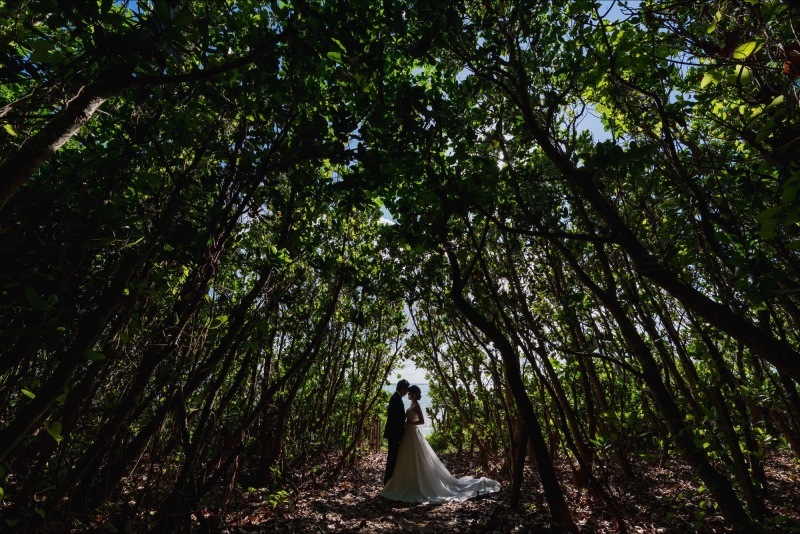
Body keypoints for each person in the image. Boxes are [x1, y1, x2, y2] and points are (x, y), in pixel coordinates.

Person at [381, 384, 500, 503]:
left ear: (414, 394)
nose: (408, 394)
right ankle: (406, 482)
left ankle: (417, 484)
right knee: (406, 458)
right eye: (407, 392)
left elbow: (421, 421)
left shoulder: (416, 405)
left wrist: (409, 424)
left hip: (412, 433)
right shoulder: (411, 404)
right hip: (408, 434)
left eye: (410, 393)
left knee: (417, 458)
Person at [383, 379, 410, 484]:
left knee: (393, 458)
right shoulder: (396, 399)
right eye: (406, 389)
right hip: (394, 434)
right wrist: (404, 425)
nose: (407, 392)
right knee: (392, 459)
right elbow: (395, 418)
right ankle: (388, 482)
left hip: (394, 433)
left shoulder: (396, 397)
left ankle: (390, 482)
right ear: (403, 389)